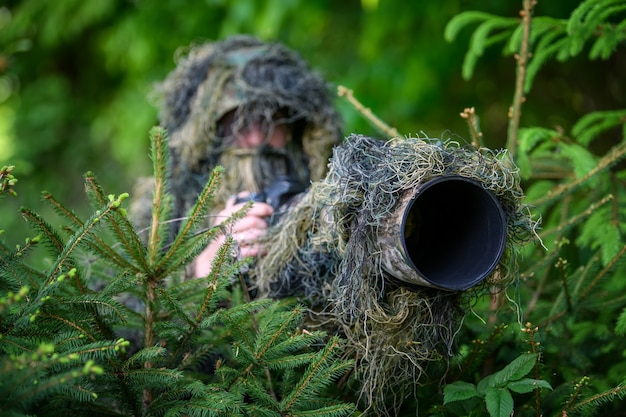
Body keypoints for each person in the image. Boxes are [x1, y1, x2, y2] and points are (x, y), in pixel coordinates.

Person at [133, 35, 343, 279]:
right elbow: (133, 306)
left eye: (268, 121)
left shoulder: (337, 186)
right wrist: (204, 266)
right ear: (208, 134)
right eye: (238, 125)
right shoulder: (164, 211)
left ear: (295, 127)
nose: (255, 140)